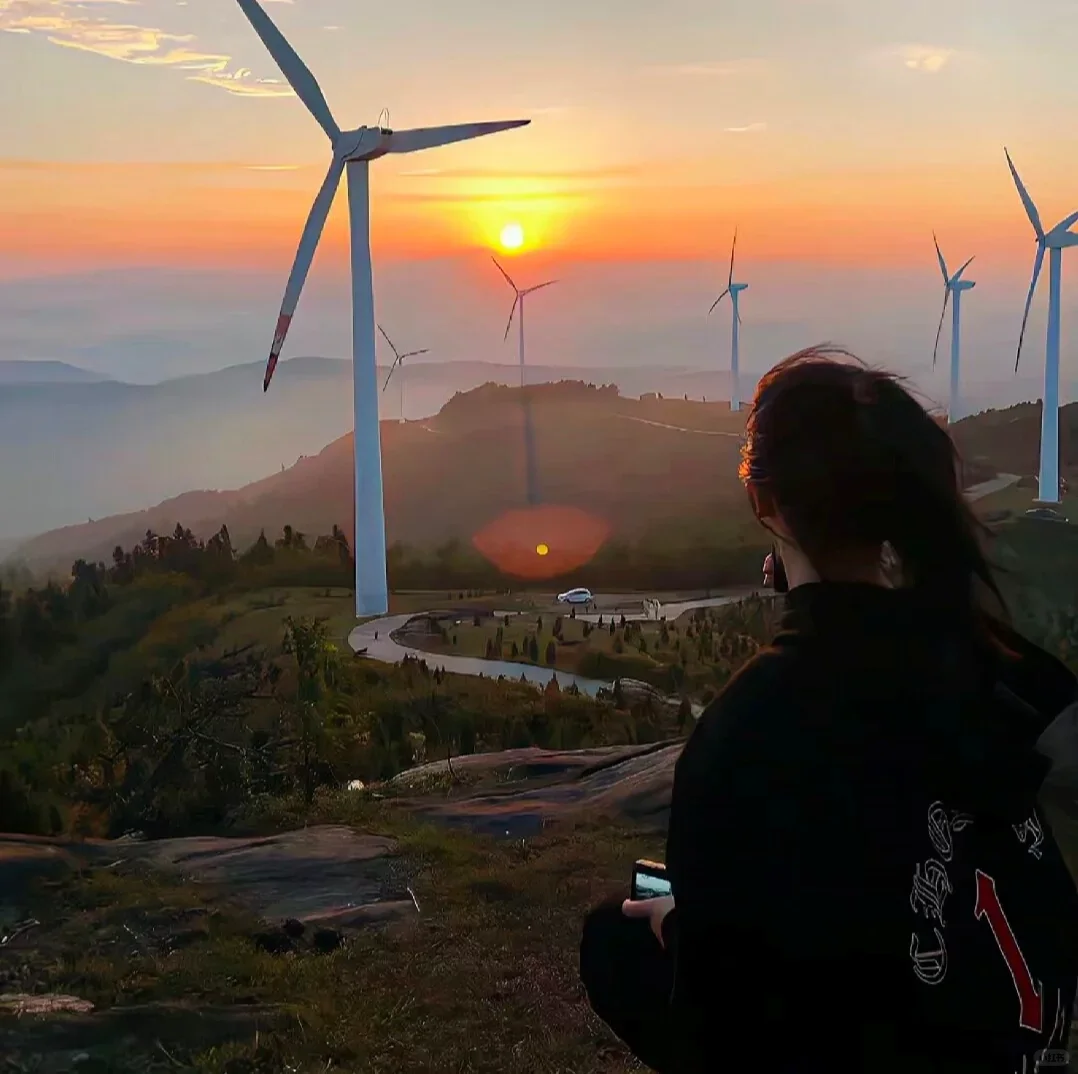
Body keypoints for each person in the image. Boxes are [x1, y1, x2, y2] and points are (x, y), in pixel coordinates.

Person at [579, 346, 1078, 1073]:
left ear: (766, 505)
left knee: (615, 936)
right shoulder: (1006, 670)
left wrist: (684, 926)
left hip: (863, 1034)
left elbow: (727, 1016)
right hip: (1024, 1029)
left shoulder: (751, 729)